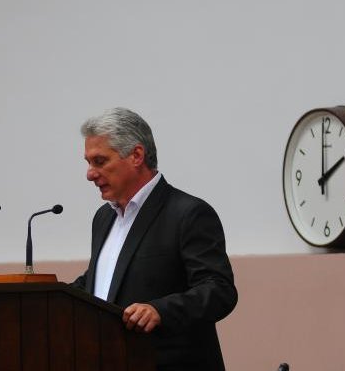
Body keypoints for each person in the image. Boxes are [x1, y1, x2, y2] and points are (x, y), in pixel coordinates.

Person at [72, 108, 237, 371]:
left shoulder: (188, 213)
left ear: (136, 155)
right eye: (88, 163)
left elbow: (219, 291)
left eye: (100, 161)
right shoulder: (103, 218)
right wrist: (49, 297)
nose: (90, 174)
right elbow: (101, 283)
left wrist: (160, 310)